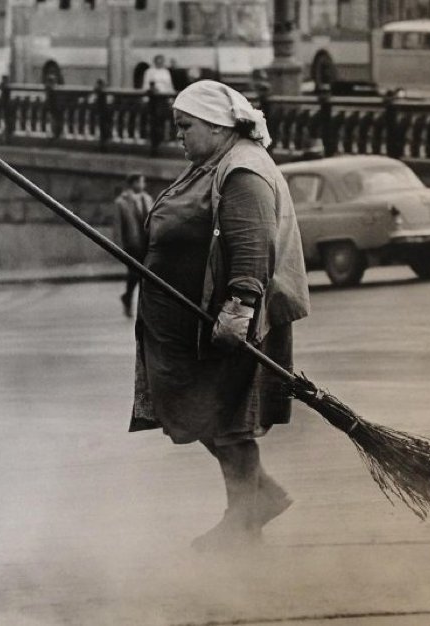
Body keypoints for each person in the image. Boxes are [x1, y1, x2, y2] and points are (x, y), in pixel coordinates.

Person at [129, 80, 310, 551]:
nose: (179, 136)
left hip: (231, 322)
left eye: (185, 126)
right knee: (210, 414)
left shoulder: (243, 170)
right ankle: (257, 500)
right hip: (198, 322)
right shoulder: (213, 162)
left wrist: (239, 308)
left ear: (216, 124)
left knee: (227, 418)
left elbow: (252, 245)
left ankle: (244, 518)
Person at [114, 173, 153, 317]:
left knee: (145, 275)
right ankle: (129, 298)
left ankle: (133, 300)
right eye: (141, 182)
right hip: (132, 244)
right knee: (135, 273)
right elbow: (117, 226)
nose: (144, 185)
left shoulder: (147, 199)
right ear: (134, 184)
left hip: (147, 243)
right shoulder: (121, 202)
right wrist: (118, 247)